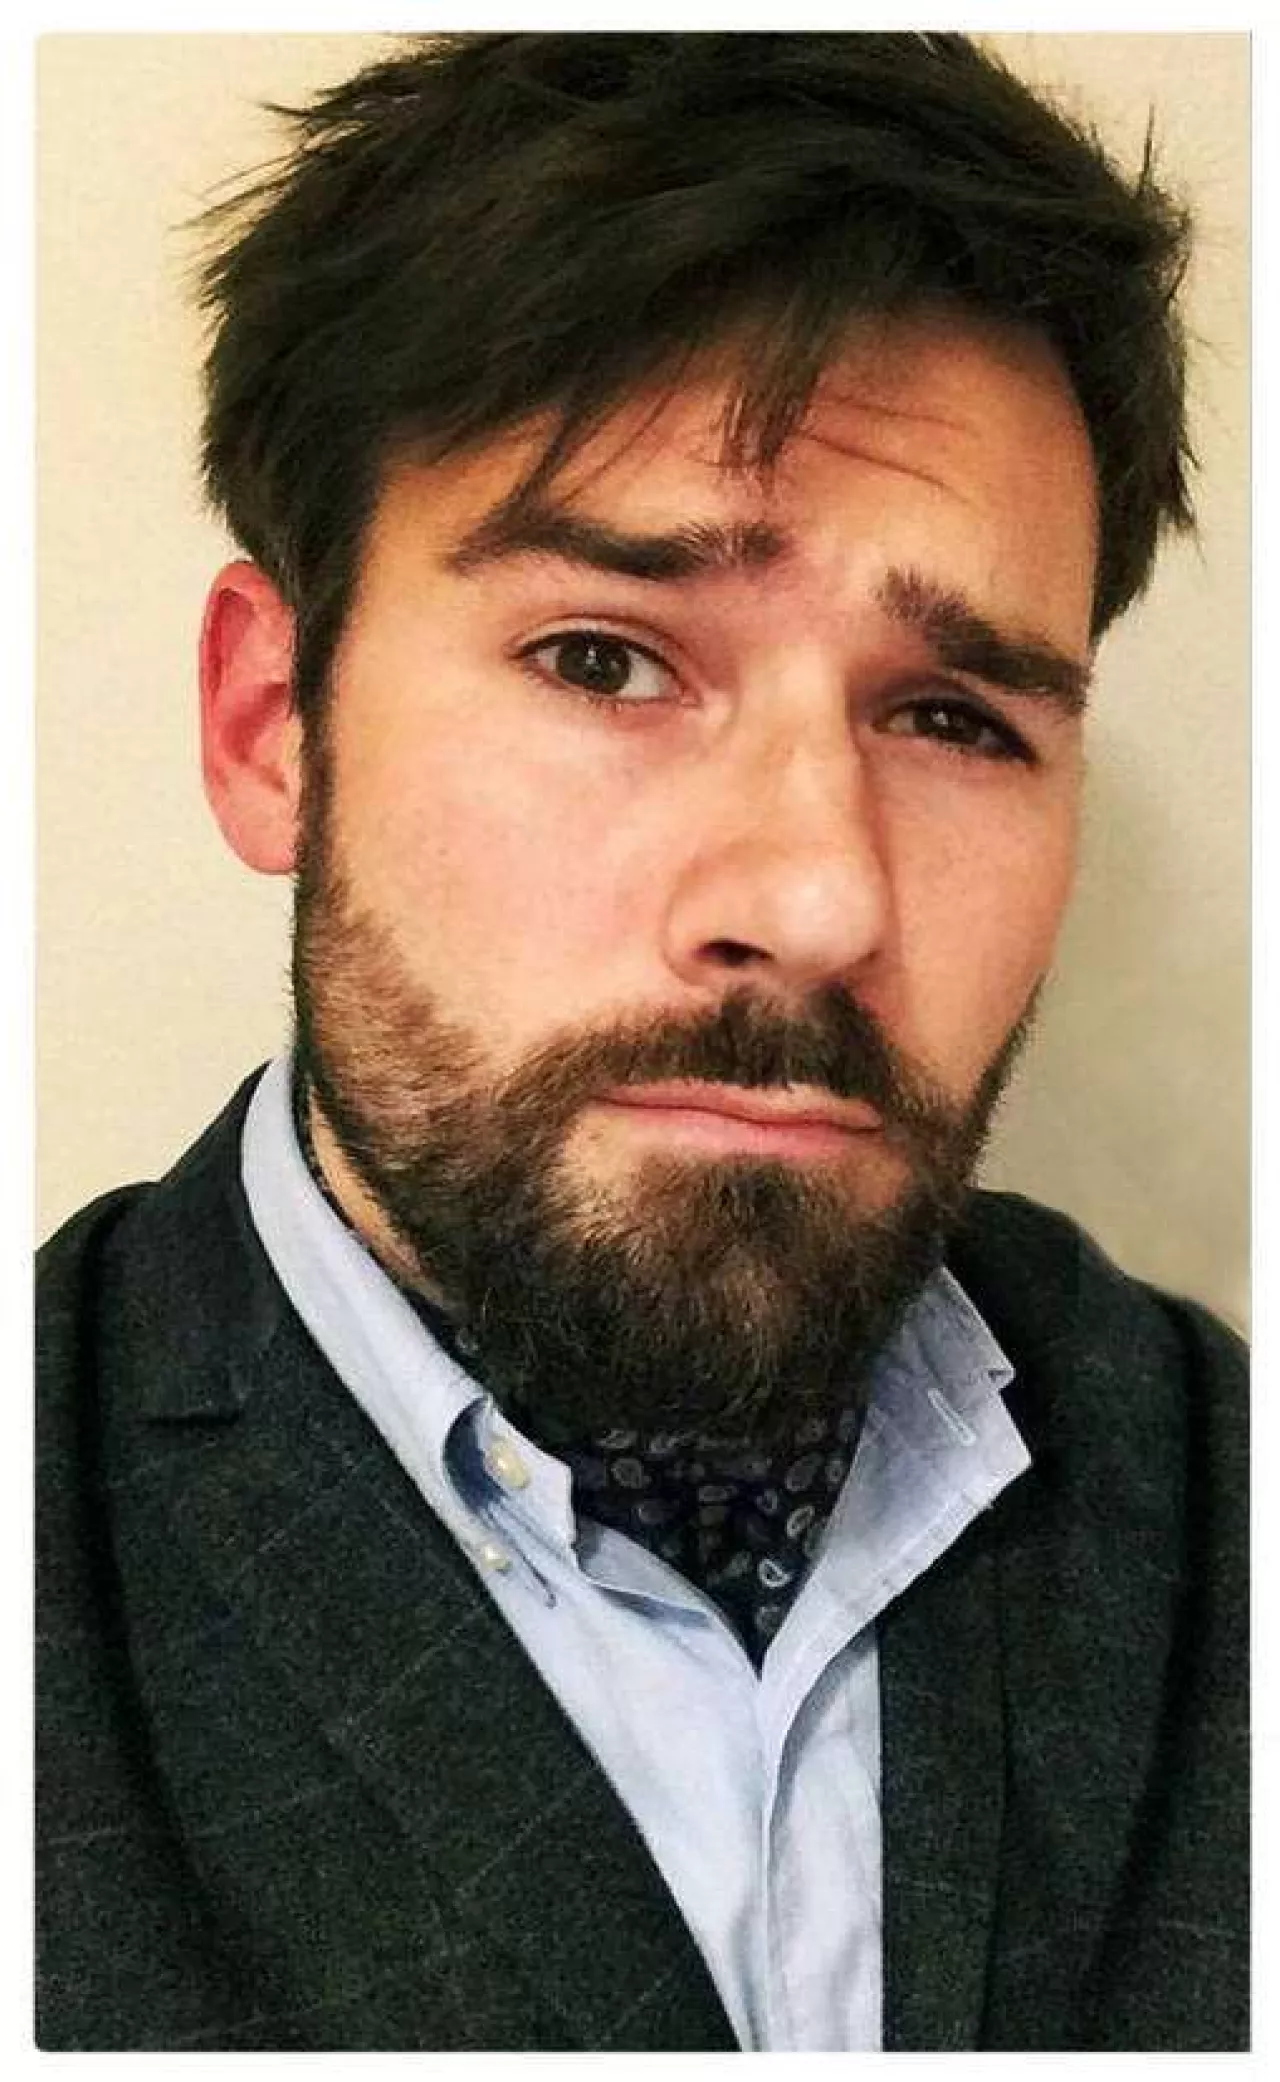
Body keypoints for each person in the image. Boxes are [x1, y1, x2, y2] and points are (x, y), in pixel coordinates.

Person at [35, 31, 1247, 2053]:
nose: (821, 900)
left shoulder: (1220, 1504)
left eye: (953, 716)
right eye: (605, 660)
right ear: (270, 728)